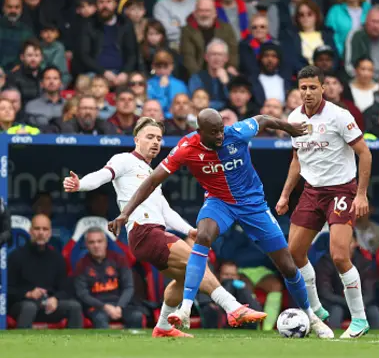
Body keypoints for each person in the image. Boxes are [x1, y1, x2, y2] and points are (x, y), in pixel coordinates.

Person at [107, 109, 334, 339]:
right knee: (203, 235)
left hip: (253, 204)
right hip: (219, 203)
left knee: (287, 265)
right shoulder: (186, 147)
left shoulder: (236, 132)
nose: (219, 136)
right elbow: (153, 180)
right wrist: (126, 213)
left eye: (220, 130)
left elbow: (263, 119)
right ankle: (185, 308)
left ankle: (312, 316)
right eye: (213, 132)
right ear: (200, 132)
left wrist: (289, 128)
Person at [63, 117, 266, 338]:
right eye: (149, 137)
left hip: (152, 234)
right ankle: (233, 307)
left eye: (159, 138)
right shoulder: (124, 160)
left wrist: (189, 231)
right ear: (136, 139)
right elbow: (102, 176)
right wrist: (81, 184)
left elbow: (166, 212)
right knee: (196, 261)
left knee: (184, 278)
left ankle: (163, 326)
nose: (155, 142)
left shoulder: (152, 173)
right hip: (145, 232)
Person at [276, 65, 373, 339]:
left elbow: (364, 154)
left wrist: (361, 194)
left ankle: (359, 319)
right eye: (303, 88)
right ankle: (316, 309)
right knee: (293, 253)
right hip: (311, 191)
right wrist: (285, 195)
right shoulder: (294, 117)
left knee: (340, 255)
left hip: (341, 190)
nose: (307, 92)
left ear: (323, 88)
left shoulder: (339, 116)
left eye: (312, 87)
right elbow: (296, 160)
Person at [74, 228, 144, 329]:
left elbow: (129, 287)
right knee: (99, 318)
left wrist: (120, 306)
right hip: (97, 307)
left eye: (99, 241)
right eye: (91, 242)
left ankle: (135, 344)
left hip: (120, 305)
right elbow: (82, 294)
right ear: (86, 245)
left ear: (105, 242)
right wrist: (105, 307)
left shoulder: (120, 259)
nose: (96, 245)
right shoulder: (81, 265)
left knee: (136, 316)